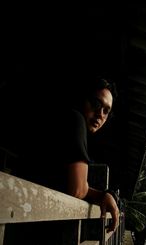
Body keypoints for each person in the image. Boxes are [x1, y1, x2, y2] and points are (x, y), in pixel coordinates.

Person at [17, 77, 119, 232]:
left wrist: (101, 195)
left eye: (106, 110)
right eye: (97, 104)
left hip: (24, 215)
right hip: (21, 219)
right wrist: (95, 192)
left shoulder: (70, 122)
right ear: (83, 100)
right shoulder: (75, 120)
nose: (100, 114)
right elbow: (77, 189)